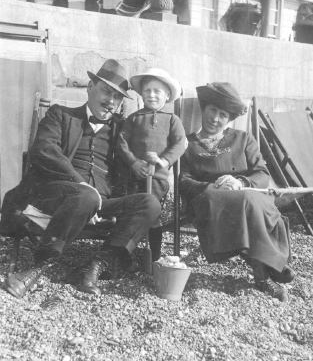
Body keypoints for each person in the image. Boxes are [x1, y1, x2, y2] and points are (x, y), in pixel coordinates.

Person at [2, 59, 161, 298]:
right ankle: (39, 268)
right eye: (106, 91)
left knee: (150, 203)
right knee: (85, 195)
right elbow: (45, 150)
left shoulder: (123, 130)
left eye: (117, 97)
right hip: (56, 195)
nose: (111, 101)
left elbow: (156, 137)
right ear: (89, 87)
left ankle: (94, 266)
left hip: (101, 203)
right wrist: (81, 184)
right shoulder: (61, 115)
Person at [179, 82, 295, 303]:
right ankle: (269, 269)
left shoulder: (243, 139)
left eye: (223, 114)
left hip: (246, 195)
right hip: (211, 200)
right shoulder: (188, 144)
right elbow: (182, 180)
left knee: (248, 199)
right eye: (212, 110)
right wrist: (212, 186)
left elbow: (262, 174)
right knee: (246, 202)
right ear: (204, 109)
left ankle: (263, 272)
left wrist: (241, 182)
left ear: (229, 119)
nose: (215, 118)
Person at [117, 68, 186, 261]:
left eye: (157, 91)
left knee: (153, 215)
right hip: (135, 176)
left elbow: (180, 143)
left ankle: (154, 256)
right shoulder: (134, 118)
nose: (152, 95)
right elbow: (122, 142)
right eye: (147, 90)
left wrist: (163, 160)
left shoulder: (172, 120)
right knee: (130, 213)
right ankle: (123, 254)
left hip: (157, 179)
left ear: (167, 95)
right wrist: (133, 163)